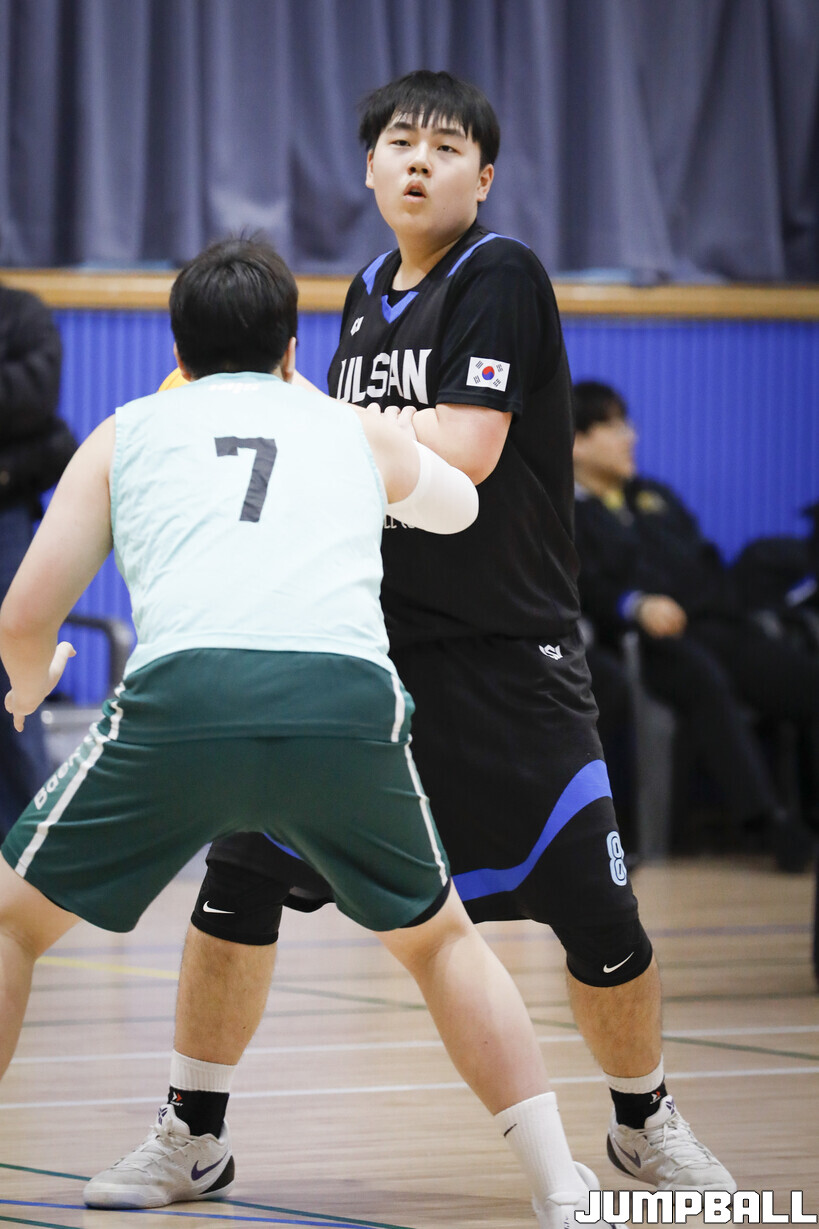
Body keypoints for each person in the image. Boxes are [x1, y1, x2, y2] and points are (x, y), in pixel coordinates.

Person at [85, 71, 735, 1207]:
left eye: (445, 145)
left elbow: (466, 451)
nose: (419, 158)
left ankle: (644, 1122)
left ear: (484, 177)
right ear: (369, 167)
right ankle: (194, 1132)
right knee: (239, 877)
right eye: (399, 141)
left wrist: (297, 411)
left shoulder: (500, 275)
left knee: (597, 915)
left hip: (508, 658)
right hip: (366, 659)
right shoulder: (358, 296)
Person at [0, 235, 618, 1229]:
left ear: (177, 348)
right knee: (441, 942)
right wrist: (377, 454)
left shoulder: (128, 430)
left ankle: (193, 1131)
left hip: (186, 702)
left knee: (11, 922)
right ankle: (559, 1183)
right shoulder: (348, 426)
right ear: (293, 346)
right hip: (346, 702)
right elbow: (460, 506)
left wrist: (33, 684)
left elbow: (25, 614)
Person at [572, 378, 819, 863]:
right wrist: (636, 604)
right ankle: (769, 822)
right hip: (652, 644)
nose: (631, 436)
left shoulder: (654, 496)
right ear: (577, 441)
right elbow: (584, 587)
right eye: (615, 426)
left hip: (717, 625)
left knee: (801, 677)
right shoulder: (566, 512)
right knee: (705, 679)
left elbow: (703, 557)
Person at [0, 279, 73, 837]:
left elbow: (33, 400)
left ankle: (33, 840)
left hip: (7, 515)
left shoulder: (21, 313)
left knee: (14, 683)